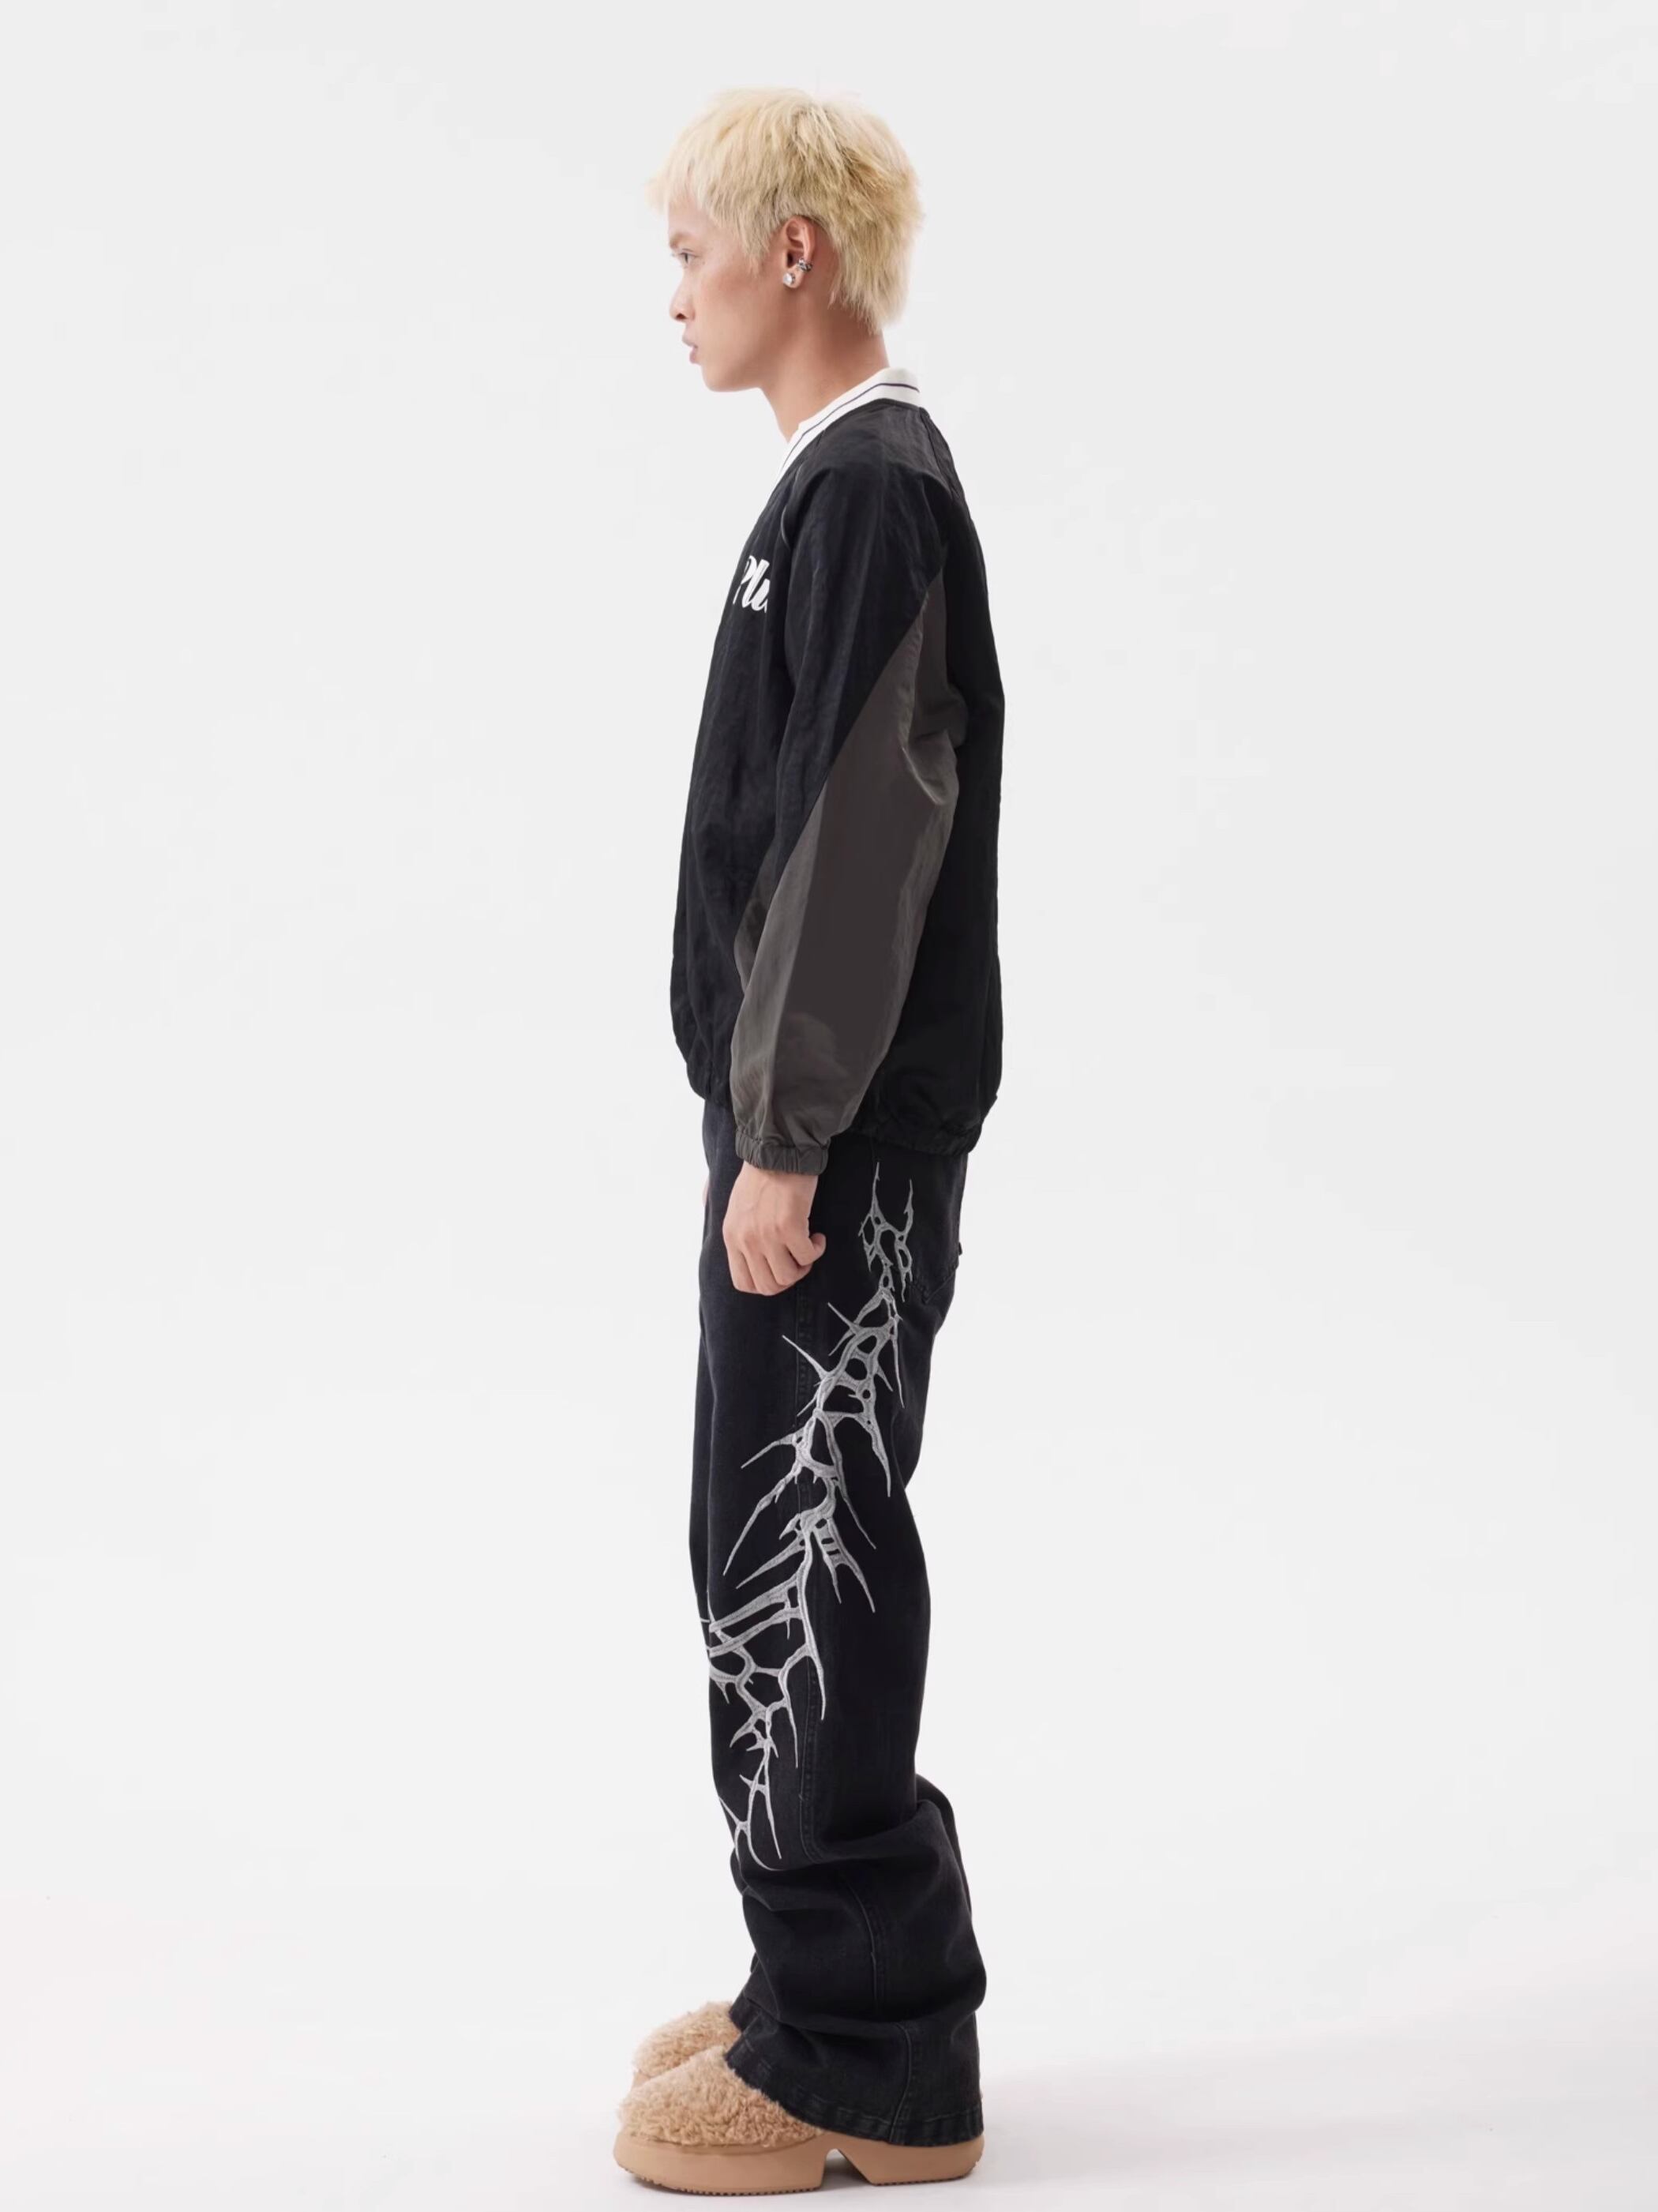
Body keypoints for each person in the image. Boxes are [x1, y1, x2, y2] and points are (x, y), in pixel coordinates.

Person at [613, 85, 1005, 2195]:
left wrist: (785, 1136)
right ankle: (828, 1973)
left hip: (827, 1142)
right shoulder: (836, 489)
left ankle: (859, 2050)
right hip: (806, 1122)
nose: (669, 294)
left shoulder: (869, 492)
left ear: (791, 253)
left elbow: (864, 833)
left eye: (689, 253)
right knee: (764, 1536)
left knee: (798, 1551)